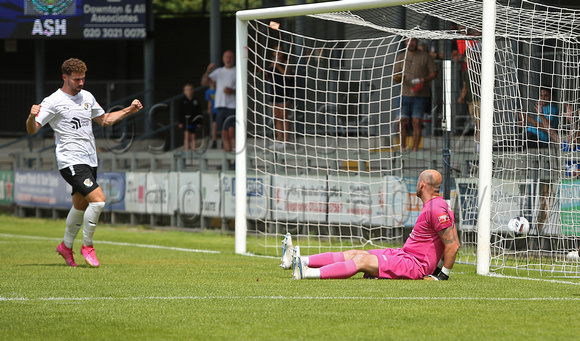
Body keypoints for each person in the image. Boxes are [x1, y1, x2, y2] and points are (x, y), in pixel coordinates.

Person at [26, 58, 143, 267]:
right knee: (98, 201)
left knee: (79, 206)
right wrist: (30, 117)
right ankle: (87, 246)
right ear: (65, 78)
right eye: (76, 79)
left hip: (90, 159)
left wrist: (129, 110)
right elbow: (32, 128)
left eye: (83, 78)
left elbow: (104, 120)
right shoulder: (53, 101)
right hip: (70, 160)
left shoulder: (87, 96)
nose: (81, 83)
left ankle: (65, 246)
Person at [280, 169, 460, 280]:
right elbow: (447, 242)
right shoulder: (438, 206)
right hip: (405, 256)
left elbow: (453, 245)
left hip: (413, 264)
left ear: (421, 185)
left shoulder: (436, 208)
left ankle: (308, 273)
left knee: (361, 261)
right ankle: (298, 261)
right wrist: (435, 269)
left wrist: (441, 276)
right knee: (355, 253)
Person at [393, 38, 438, 152]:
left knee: (417, 122)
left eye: (413, 40)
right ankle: (402, 147)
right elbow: (395, 76)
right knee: (401, 122)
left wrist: (424, 80)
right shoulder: (401, 57)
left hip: (420, 95)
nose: (411, 43)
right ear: (405, 42)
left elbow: (434, 72)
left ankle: (415, 148)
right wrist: (398, 78)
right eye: (409, 41)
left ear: (417, 41)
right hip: (404, 94)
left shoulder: (425, 57)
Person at [201, 50, 236, 169]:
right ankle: (228, 161)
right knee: (224, 135)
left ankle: (236, 160)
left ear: (234, 58)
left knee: (232, 134)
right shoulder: (219, 72)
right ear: (223, 58)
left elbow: (244, 87)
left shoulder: (237, 71)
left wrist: (232, 91)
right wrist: (208, 71)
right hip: (221, 106)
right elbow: (204, 82)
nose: (228, 59)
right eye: (226, 56)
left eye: (230, 56)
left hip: (232, 106)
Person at [266, 45, 294, 150]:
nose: (278, 53)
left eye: (280, 51)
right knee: (277, 118)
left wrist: (277, 65)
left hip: (284, 92)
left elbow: (288, 75)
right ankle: (279, 140)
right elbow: (269, 76)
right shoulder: (271, 64)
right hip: (274, 92)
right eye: (276, 50)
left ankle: (286, 141)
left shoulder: (285, 62)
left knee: (284, 117)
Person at [178, 83, 202, 151]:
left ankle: (193, 149)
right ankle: (187, 149)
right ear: (184, 91)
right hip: (186, 121)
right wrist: (180, 122)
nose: (189, 91)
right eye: (187, 90)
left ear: (193, 91)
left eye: (190, 90)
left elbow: (199, 111)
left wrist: (199, 122)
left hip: (194, 121)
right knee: (187, 135)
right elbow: (180, 112)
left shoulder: (196, 100)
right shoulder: (182, 101)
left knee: (193, 136)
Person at [204, 81, 218, 149]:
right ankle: (214, 141)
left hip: (220, 110)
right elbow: (209, 102)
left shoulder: (218, 90)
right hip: (214, 111)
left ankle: (223, 141)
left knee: (222, 125)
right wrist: (209, 109)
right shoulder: (208, 92)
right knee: (214, 125)